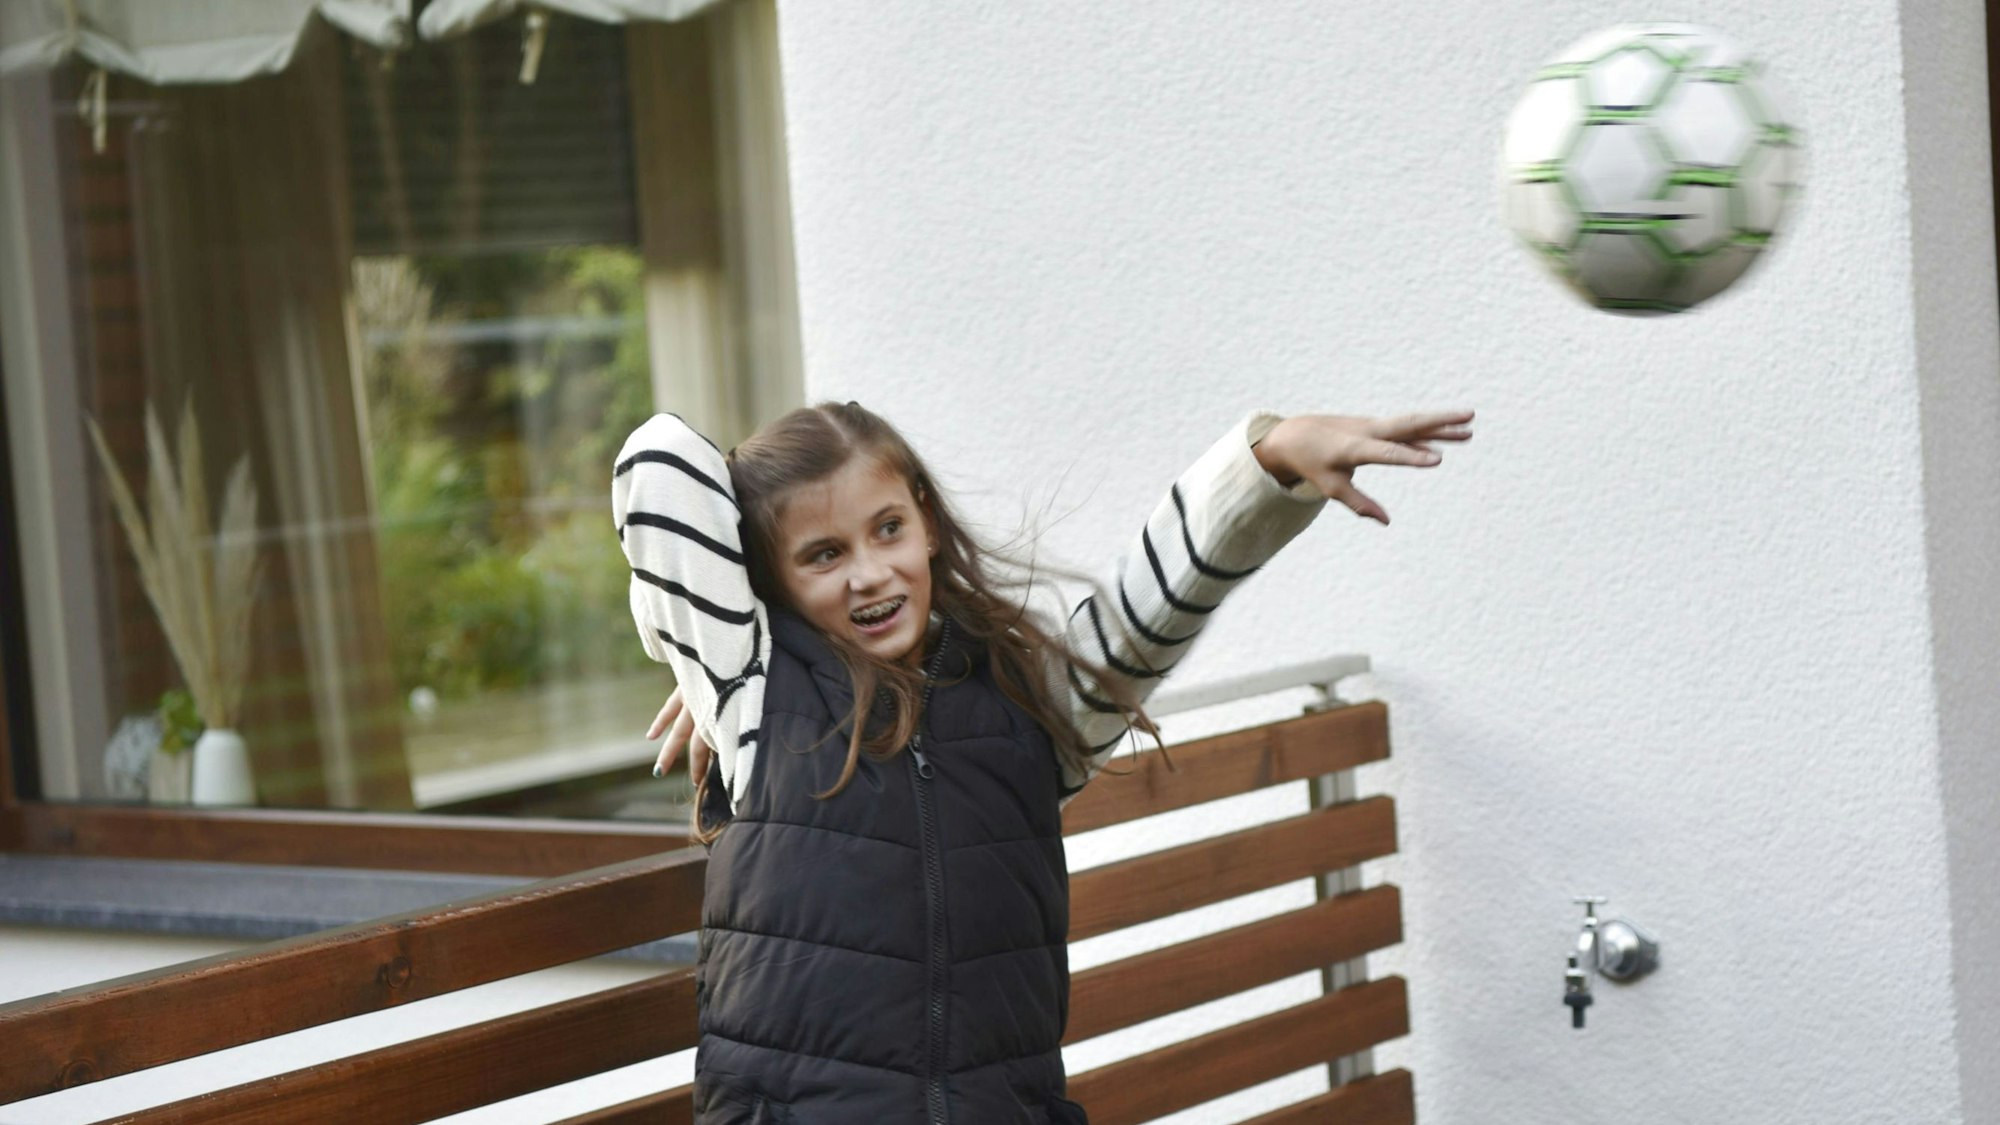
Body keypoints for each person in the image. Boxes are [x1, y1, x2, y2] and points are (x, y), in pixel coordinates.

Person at [611, 402, 1472, 1125]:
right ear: (774, 578)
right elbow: (656, 462)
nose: (871, 574)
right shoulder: (760, 698)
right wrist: (715, 649)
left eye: (888, 529)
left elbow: (1143, 613)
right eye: (823, 554)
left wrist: (1268, 459)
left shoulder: (1023, 700)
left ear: (928, 521)